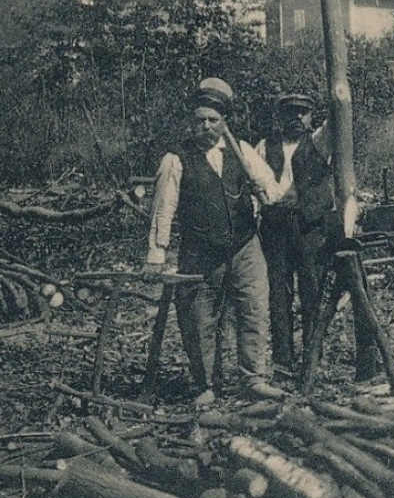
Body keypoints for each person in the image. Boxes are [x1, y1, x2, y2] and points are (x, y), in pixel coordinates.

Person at [146, 78, 288, 405]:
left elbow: (273, 190)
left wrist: (261, 193)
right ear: (191, 121)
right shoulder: (176, 158)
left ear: (224, 121)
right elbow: (163, 208)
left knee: (254, 311)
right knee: (199, 320)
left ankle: (254, 379)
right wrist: (157, 253)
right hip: (200, 251)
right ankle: (206, 385)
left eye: (213, 120)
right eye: (200, 120)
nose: (207, 126)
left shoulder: (242, 152)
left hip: (244, 245)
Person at [254, 93, 376, 381]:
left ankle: (312, 357)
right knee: (278, 295)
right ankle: (283, 360)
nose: (297, 118)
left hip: (310, 227)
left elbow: (337, 120)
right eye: (290, 112)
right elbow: (255, 182)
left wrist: (340, 95)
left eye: (303, 112)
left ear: (311, 116)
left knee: (312, 291)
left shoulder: (319, 142)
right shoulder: (264, 147)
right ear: (279, 116)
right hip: (276, 226)